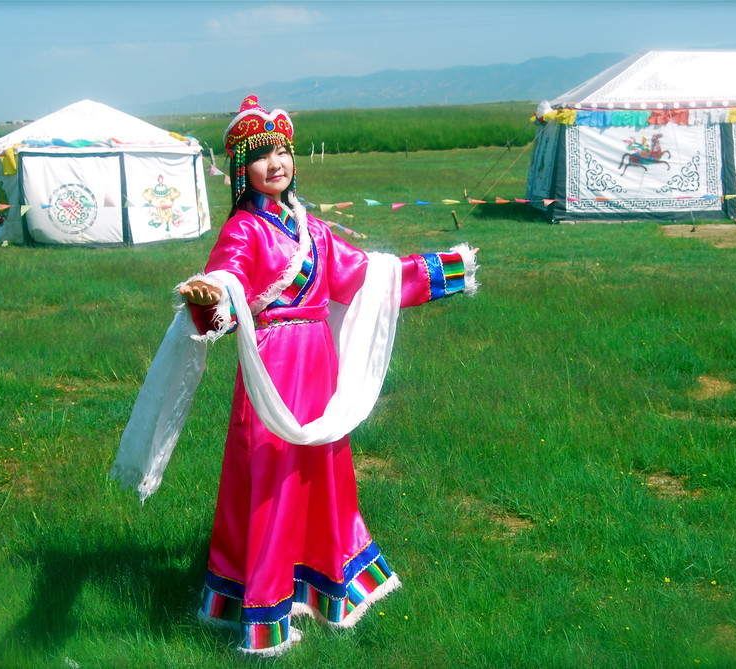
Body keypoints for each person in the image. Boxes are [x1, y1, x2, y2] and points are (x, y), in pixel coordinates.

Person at [119, 95, 478, 656]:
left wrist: (441, 271)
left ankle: (321, 585)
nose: (276, 163)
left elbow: (361, 275)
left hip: (317, 366)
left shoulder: (311, 228)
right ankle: (265, 607)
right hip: (274, 366)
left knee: (319, 473)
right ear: (243, 168)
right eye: (262, 156)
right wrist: (210, 296)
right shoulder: (245, 229)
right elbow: (227, 281)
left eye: (283, 151)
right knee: (271, 477)